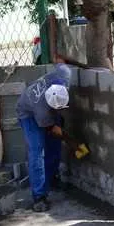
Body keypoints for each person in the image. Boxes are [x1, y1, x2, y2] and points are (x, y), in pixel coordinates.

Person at [16, 57, 81, 212]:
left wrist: (83, 65)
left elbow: (59, 59)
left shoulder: (64, 73)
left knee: (54, 147)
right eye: (56, 110)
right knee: (37, 151)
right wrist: (73, 143)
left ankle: (50, 179)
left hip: (45, 110)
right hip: (28, 114)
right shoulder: (42, 111)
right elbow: (54, 130)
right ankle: (39, 196)